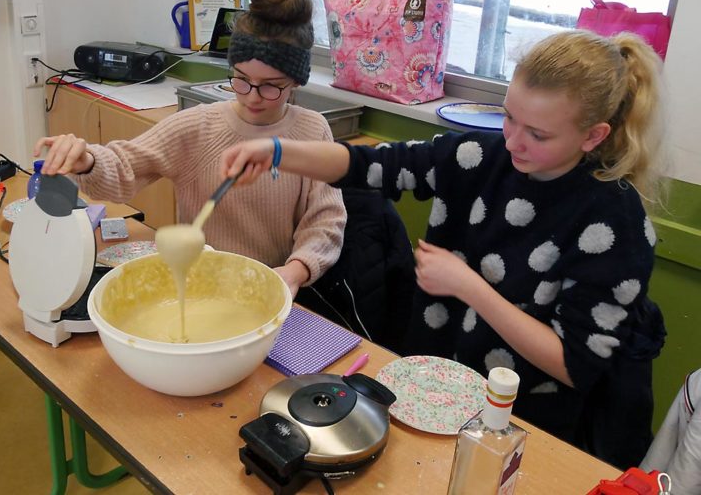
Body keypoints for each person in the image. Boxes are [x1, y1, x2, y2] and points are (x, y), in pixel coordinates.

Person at [220, 30, 667, 466]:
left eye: (539, 134)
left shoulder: (614, 223)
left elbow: (574, 363)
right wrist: (277, 151)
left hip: (521, 422)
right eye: (508, 117)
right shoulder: (479, 155)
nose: (513, 141)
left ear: (593, 136)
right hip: (436, 388)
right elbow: (369, 166)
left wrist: (469, 286)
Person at [33, 0, 346, 297]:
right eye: (241, 80)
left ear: (295, 80)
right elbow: (124, 167)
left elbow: (326, 221)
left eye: (271, 85)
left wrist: (293, 273)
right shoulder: (197, 127)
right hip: (199, 289)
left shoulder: (313, 132)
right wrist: (87, 161)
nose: (252, 96)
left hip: (271, 292)